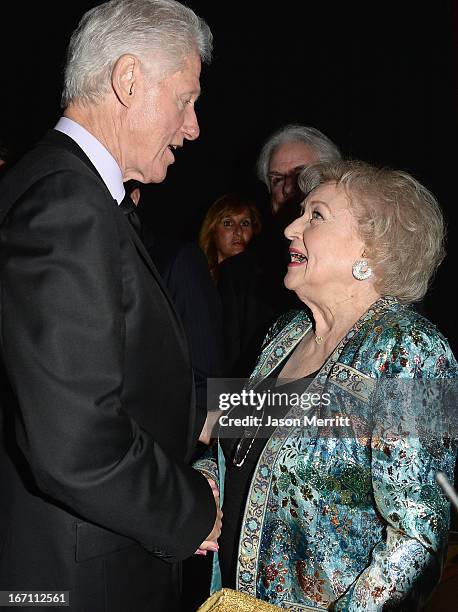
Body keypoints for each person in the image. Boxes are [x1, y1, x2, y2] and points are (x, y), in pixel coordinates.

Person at [0, 2, 221, 611]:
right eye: (186, 99)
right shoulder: (67, 204)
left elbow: (121, 384)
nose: (193, 126)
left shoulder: (60, 188)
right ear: (128, 80)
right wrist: (191, 509)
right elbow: (76, 444)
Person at [211, 160, 457, 609]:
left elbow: (420, 540)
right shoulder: (284, 332)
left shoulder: (415, 352)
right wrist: (204, 487)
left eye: (316, 216)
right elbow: (232, 444)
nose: (290, 229)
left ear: (372, 249)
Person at [218, 125, 342, 377]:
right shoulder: (239, 276)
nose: (286, 188)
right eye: (276, 179)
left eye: (300, 175)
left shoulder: (376, 269)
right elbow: (226, 384)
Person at [198, 193, 262, 283]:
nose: (239, 232)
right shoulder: (196, 276)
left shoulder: (259, 281)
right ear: (213, 230)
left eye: (245, 223)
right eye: (228, 223)